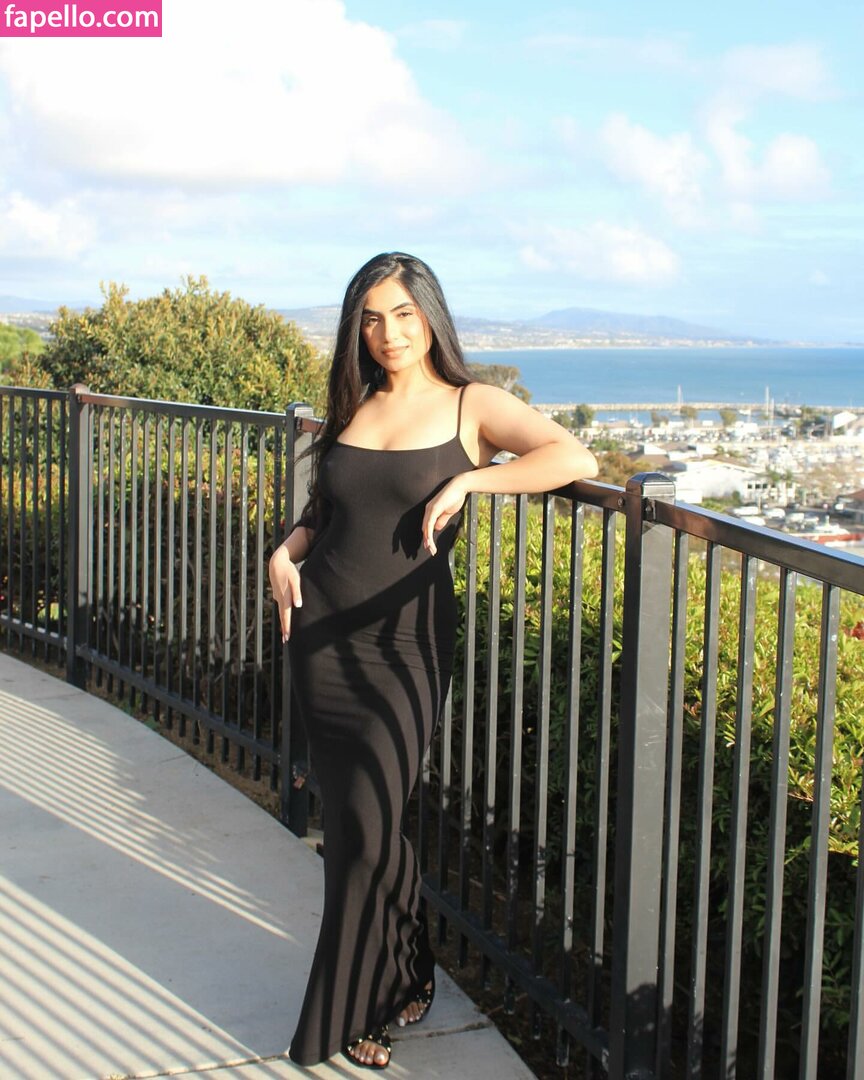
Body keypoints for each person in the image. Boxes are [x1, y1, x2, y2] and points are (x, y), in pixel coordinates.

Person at [268, 252, 598, 1069]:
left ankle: (359, 1002)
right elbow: (327, 511)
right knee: (360, 825)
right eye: (371, 319)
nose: (388, 334)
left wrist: (474, 484)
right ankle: (404, 972)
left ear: (430, 316)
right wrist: (284, 550)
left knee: (368, 826)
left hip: (405, 644)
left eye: (403, 315)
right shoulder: (358, 403)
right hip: (321, 633)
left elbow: (574, 460)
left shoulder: (470, 404)